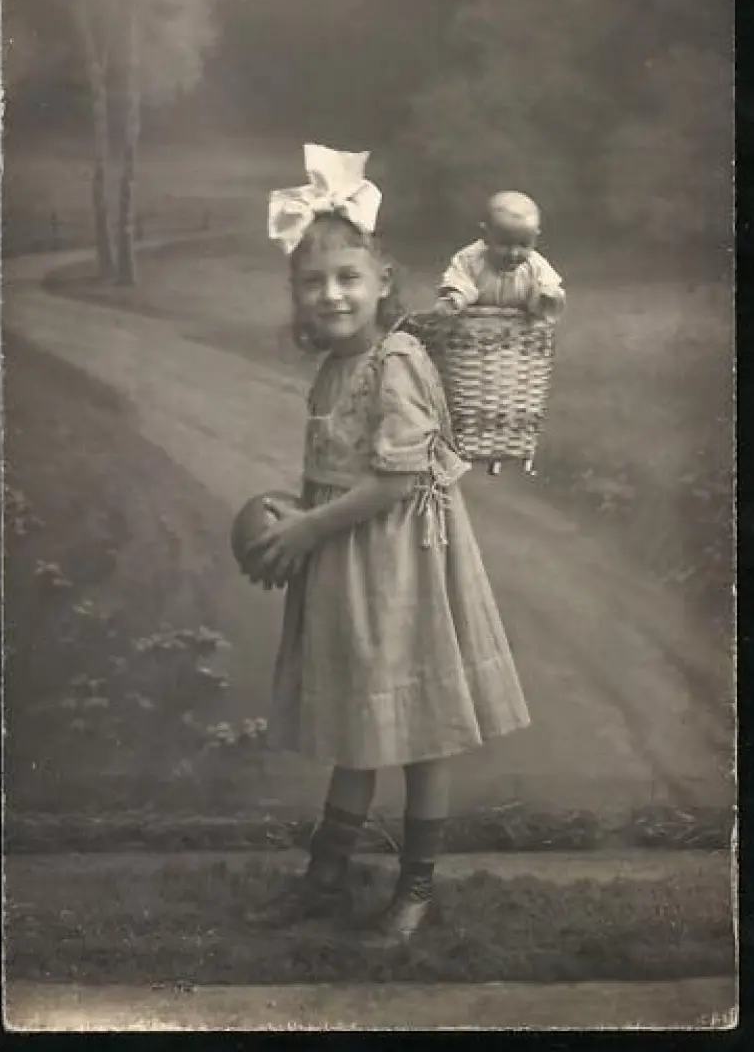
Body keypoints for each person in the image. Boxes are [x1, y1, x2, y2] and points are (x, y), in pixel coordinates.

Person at [245, 144, 530, 948]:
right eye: (314, 282)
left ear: (382, 281)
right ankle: (326, 877)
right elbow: (333, 476)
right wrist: (289, 525)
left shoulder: (395, 361)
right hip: (350, 568)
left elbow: (397, 481)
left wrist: (306, 529)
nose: (332, 294)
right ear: (297, 295)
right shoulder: (336, 367)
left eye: (348, 277)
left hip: (404, 568)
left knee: (419, 730)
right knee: (361, 724)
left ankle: (416, 888)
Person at [434, 190, 566, 318]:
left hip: (521, 326)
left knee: (547, 297)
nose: (514, 254)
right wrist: (457, 297)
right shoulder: (469, 259)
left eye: (524, 245)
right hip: (476, 324)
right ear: (485, 235)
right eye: (505, 244)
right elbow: (459, 281)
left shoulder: (535, 265)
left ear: (535, 238)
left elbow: (548, 285)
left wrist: (546, 298)